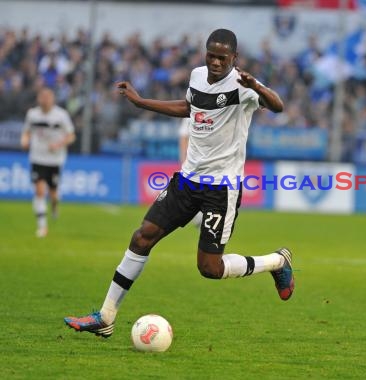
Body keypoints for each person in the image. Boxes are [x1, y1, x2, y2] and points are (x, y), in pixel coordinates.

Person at [64, 29, 294, 338]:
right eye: (210, 55)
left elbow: (278, 105)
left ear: (234, 58)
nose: (214, 62)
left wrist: (256, 86)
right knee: (142, 237)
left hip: (221, 188)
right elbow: (189, 107)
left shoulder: (244, 86)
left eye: (221, 58)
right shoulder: (197, 76)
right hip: (186, 180)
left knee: (210, 269)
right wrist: (142, 102)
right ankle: (105, 317)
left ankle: (277, 262)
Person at [20, 88, 76, 238]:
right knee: (39, 190)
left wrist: (59, 145)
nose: (44, 99)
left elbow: (71, 135)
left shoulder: (61, 115)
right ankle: (42, 227)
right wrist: (24, 140)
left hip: (55, 160)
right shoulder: (32, 114)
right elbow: (26, 131)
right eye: (42, 96)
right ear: (38, 98)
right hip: (37, 157)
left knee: (54, 195)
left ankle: (55, 206)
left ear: (53, 99)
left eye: (47, 97)